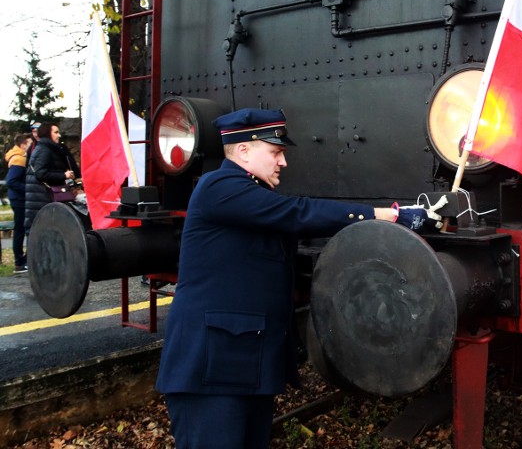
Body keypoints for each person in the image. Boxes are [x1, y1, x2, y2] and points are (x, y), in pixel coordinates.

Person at [155, 108, 428, 449]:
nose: (282, 162)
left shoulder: (250, 197)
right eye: (275, 152)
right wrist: (383, 216)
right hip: (211, 368)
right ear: (243, 151)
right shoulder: (220, 187)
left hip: (245, 367)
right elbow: (298, 212)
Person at [24, 123, 81, 232]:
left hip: (41, 197)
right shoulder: (44, 150)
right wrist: (64, 175)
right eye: (55, 132)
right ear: (47, 134)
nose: (59, 135)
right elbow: (41, 174)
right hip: (42, 197)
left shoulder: (47, 148)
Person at [5, 133, 32, 273]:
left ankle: (21, 260)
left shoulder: (19, 158)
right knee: (20, 229)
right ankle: (19, 262)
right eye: (28, 143)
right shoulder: (18, 159)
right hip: (19, 199)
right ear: (22, 145)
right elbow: (11, 181)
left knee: (21, 228)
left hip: (19, 198)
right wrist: (27, 190)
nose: (30, 146)